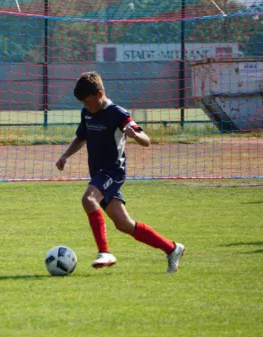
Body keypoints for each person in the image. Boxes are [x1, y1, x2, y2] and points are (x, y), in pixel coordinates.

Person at [55, 71, 185, 273]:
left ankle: (104, 252)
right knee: (124, 224)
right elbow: (81, 138)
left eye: (88, 101)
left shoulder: (118, 113)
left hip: (112, 171)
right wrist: (65, 155)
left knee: (88, 199)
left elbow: (146, 140)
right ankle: (172, 248)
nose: (85, 106)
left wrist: (135, 135)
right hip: (98, 173)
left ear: (100, 94)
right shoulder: (87, 112)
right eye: (83, 103)